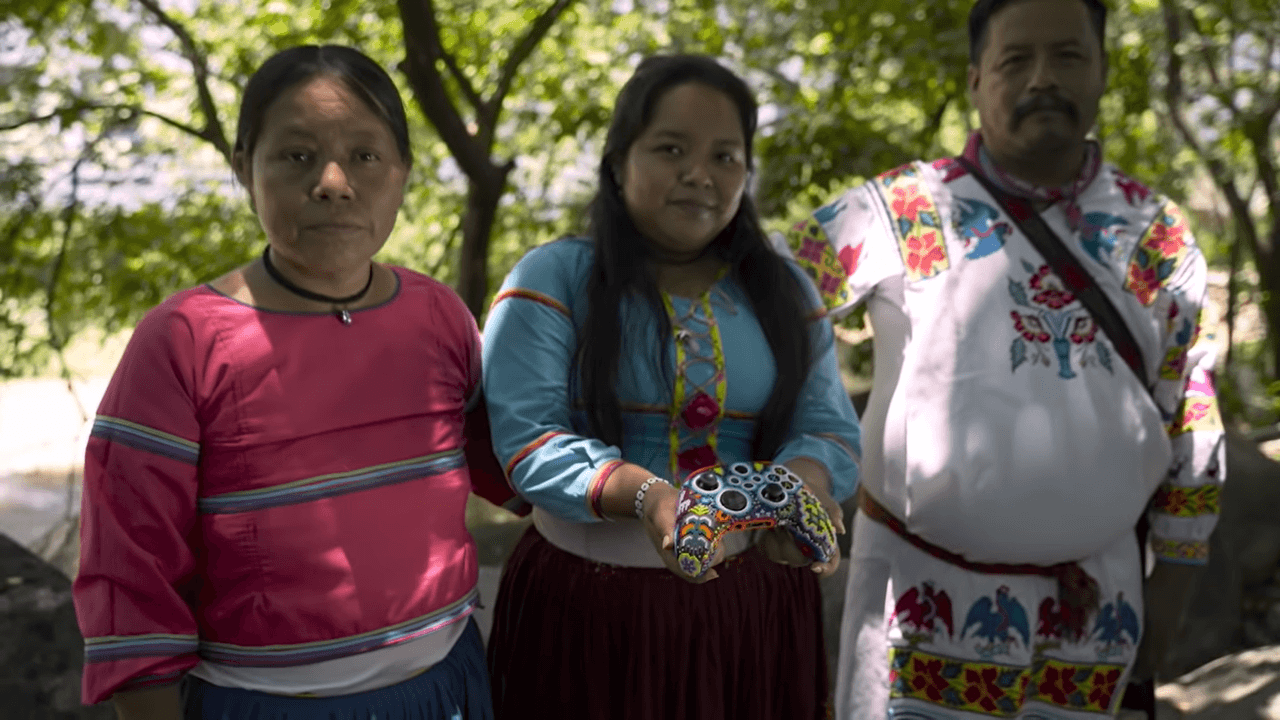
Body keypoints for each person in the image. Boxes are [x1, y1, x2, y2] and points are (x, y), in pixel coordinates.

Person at [774, 0, 1226, 717]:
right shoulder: (906, 209)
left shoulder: (1154, 233)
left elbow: (1193, 419)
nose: (1042, 78)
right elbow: (765, 303)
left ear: (1104, 70)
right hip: (918, 607)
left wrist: (1172, 584)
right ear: (977, 78)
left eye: (1068, 56)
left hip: (1097, 615)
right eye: (1016, 60)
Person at [74, 45, 499, 720]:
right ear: (244, 166)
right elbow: (131, 584)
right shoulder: (181, 342)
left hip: (447, 688)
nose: (333, 181)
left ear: (403, 172)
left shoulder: (439, 316)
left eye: (365, 155)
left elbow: (515, 463)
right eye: (297, 155)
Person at [481, 54, 863, 719]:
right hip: (589, 614)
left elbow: (828, 426)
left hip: (755, 613)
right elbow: (528, 438)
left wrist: (799, 495)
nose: (700, 174)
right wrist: (650, 497)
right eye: (671, 149)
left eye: (726, 156)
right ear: (618, 160)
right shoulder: (552, 278)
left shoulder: (786, 291)